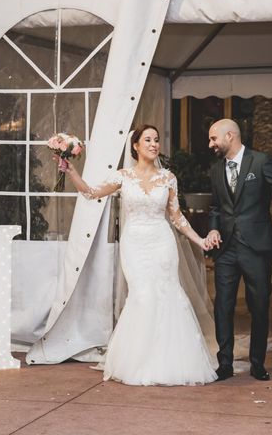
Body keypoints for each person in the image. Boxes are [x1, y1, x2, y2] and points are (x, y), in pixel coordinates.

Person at [58, 124, 217, 386]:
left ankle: (170, 361)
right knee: (142, 295)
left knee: (167, 294)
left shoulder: (168, 178)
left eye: (156, 140)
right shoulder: (122, 176)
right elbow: (91, 193)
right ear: (136, 146)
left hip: (162, 243)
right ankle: (138, 361)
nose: (154, 144)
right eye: (148, 140)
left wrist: (199, 240)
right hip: (134, 245)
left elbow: (176, 217)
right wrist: (72, 170)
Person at [205, 119, 272, 381]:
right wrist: (213, 229)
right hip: (225, 250)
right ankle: (225, 364)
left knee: (259, 305)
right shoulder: (215, 170)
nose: (210, 144)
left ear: (230, 136)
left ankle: (258, 363)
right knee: (223, 306)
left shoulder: (260, 161)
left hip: (256, 247)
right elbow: (216, 207)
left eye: (214, 139)